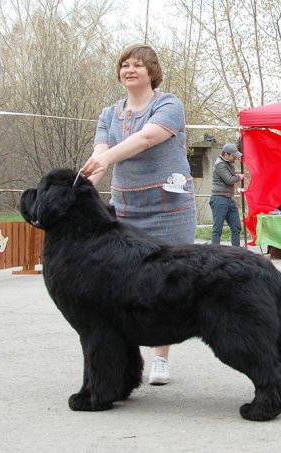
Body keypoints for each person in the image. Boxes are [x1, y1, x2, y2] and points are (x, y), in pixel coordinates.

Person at [81, 44, 195, 386]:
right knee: (122, 285)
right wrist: (85, 183)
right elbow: (100, 152)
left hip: (169, 209)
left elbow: (146, 138)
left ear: (152, 72)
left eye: (137, 65)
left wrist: (106, 159)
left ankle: (161, 358)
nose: (129, 70)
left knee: (167, 283)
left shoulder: (168, 105)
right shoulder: (109, 114)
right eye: (125, 65)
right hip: (125, 210)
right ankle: (126, 362)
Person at [210, 143, 245, 246]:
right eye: (234, 156)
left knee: (236, 227)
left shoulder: (228, 162)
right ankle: (215, 252)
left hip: (229, 199)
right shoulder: (220, 164)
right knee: (217, 229)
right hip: (219, 199)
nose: (235, 158)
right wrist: (239, 177)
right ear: (226, 154)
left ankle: (236, 251)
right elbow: (229, 180)